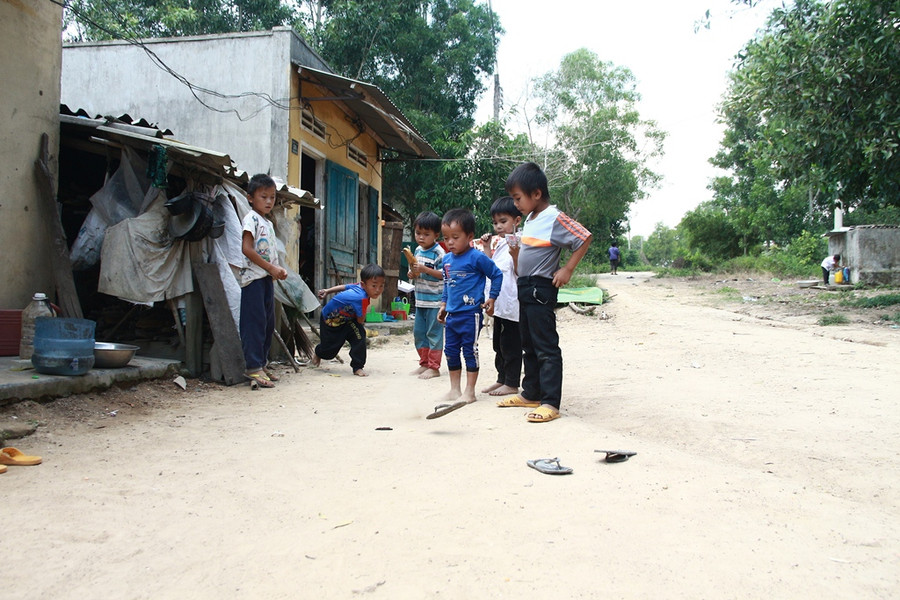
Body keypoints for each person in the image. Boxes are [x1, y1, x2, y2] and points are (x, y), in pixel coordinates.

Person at [497, 162, 592, 423]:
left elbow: (584, 237)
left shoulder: (554, 217)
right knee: (528, 344)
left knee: (545, 347)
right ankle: (531, 393)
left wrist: (567, 270)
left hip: (541, 288)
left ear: (536, 194)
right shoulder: (531, 219)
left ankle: (550, 401)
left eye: (518, 198)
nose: (515, 204)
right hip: (525, 287)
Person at [437, 208, 503, 409]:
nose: (450, 242)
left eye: (455, 237)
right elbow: (448, 284)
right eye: (446, 238)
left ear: (470, 236)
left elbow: (497, 274)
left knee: (469, 351)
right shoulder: (447, 260)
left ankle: (470, 392)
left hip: (470, 314)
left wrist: (492, 298)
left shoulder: (477, 257)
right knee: (450, 351)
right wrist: (443, 304)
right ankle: (454, 389)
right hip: (452, 314)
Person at [239, 173, 288, 389]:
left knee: (268, 324)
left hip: (267, 279)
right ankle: (253, 367)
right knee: (255, 324)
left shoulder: (267, 222)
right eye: (264, 197)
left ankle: (262, 364)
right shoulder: (251, 218)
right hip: (254, 279)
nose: (269, 201)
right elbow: (247, 249)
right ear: (250, 198)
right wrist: (271, 268)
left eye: (272, 197)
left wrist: (277, 270)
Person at [479, 197, 523, 397]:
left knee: (511, 344)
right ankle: (501, 378)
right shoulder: (501, 245)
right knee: (498, 344)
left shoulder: (520, 242)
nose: (498, 227)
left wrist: (516, 253)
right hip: (499, 304)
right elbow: (491, 269)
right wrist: (487, 248)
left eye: (503, 221)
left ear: (517, 221)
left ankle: (512, 382)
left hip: (513, 306)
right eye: (495, 222)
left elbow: (521, 270)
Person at [314, 264, 386, 377]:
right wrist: (363, 310)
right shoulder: (361, 298)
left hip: (348, 320)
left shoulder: (360, 287)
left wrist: (328, 291)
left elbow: (343, 287)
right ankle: (318, 352)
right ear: (364, 284)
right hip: (330, 321)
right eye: (374, 286)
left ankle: (358, 367)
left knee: (359, 336)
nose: (378, 290)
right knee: (329, 351)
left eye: (381, 286)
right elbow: (361, 319)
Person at [408, 211, 446, 379]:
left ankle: (434, 367)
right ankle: (424, 363)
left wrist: (424, 270)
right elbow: (416, 271)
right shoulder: (416, 250)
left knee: (434, 334)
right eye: (418, 233)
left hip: (435, 301)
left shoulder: (439, 253)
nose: (421, 237)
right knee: (419, 333)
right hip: (420, 300)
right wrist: (413, 273)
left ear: (436, 235)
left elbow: (444, 274)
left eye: (426, 234)